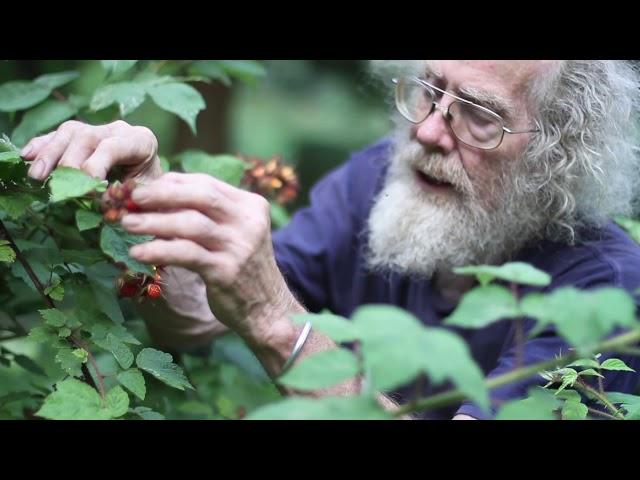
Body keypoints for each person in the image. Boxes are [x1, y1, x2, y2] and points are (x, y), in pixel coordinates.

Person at [20, 60, 640, 419]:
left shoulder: (606, 295)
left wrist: (273, 320)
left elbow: (259, 311)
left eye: (477, 114)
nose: (427, 131)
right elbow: (197, 321)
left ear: (561, 154)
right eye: (428, 88)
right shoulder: (382, 180)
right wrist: (154, 205)